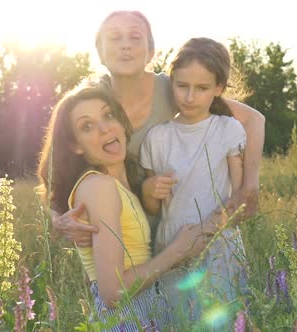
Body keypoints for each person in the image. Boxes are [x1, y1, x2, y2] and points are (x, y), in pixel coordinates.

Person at [52, 10, 265, 246]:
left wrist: (250, 184)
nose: (125, 46)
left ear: (151, 52)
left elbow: (253, 120)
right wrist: (59, 221)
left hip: (174, 234)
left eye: (134, 37)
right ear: (100, 53)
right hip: (120, 242)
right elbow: (56, 172)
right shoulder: (89, 103)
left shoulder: (176, 88)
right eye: (114, 38)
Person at [37, 83, 220, 331]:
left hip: (148, 311)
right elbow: (112, 292)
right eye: (87, 126)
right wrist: (177, 251)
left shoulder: (120, 185)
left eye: (108, 115)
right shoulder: (98, 187)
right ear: (76, 145)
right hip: (126, 318)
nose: (104, 128)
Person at [140, 37, 247, 327]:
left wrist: (204, 231)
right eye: (182, 86)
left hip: (218, 243)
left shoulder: (228, 129)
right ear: (171, 81)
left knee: (219, 321)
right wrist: (151, 190)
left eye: (201, 89)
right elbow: (152, 206)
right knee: (177, 322)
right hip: (172, 245)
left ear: (218, 88)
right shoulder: (157, 137)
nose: (189, 97)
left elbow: (239, 198)